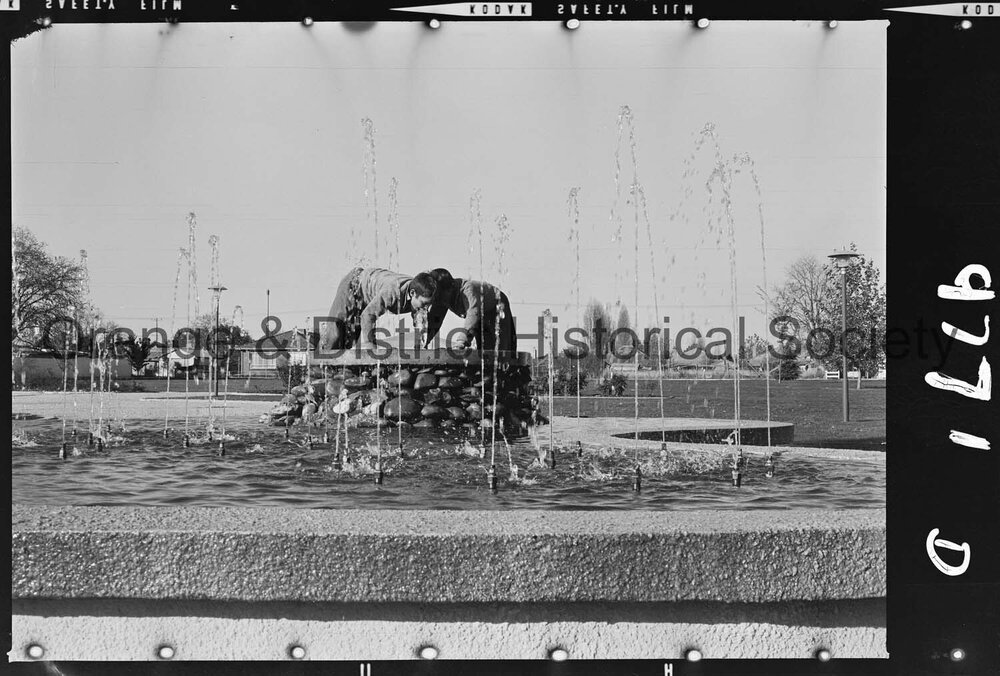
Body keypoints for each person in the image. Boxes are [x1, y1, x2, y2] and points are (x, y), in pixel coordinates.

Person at [320, 267, 438, 351]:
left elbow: (421, 329)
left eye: (429, 304)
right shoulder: (392, 291)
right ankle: (318, 362)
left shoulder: (418, 299)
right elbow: (368, 316)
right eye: (424, 303)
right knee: (335, 333)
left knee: (350, 340)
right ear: (412, 293)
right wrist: (371, 348)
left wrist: (420, 350)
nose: (426, 308)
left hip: (368, 295)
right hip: (354, 284)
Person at [423, 268, 516, 353]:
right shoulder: (441, 296)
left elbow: (473, 314)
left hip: (496, 305)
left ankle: (507, 366)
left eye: (441, 296)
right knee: (483, 348)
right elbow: (434, 321)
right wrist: (424, 342)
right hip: (480, 313)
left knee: (502, 345)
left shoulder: (468, 290)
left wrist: (461, 341)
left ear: (450, 289)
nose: (439, 300)